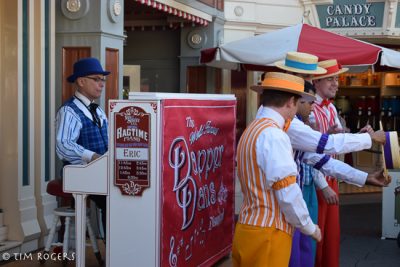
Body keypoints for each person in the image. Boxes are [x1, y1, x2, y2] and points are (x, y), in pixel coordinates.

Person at [232, 72, 321, 267]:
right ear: (290, 102)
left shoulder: (251, 129)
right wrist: (309, 227)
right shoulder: (274, 135)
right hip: (269, 233)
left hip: (246, 228)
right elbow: (287, 191)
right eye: (297, 103)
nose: (296, 108)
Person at [55, 57, 110, 238]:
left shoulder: (99, 111)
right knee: (111, 200)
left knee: (122, 193)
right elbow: (63, 146)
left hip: (100, 170)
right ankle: (112, 249)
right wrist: (93, 157)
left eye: (103, 79)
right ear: (81, 81)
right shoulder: (69, 110)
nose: (101, 84)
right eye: (96, 79)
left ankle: (118, 251)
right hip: (79, 171)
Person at [310, 59, 349, 267]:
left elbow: (336, 143)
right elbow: (309, 153)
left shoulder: (331, 108)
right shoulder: (308, 108)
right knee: (316, 235)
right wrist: (322, 185)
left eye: (337, 78)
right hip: (316, 181)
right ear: (316, 81)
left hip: (330, 177)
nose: (336, 83)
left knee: (331, 236)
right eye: (330, 79)